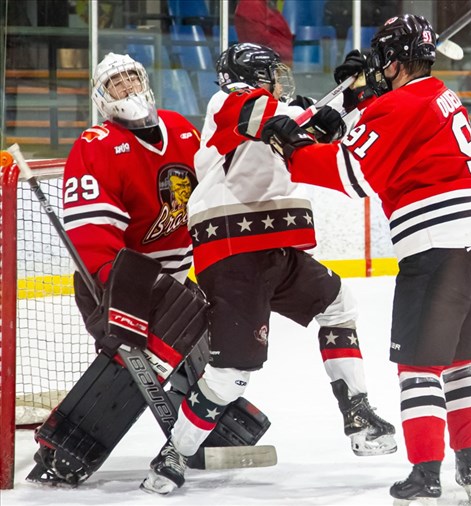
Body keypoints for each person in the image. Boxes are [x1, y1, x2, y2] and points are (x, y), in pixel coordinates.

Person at [256, 15, 471, 503]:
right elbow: (383, 141)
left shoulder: (399, 105)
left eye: (380, 63)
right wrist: (350, 107)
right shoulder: (435, 96)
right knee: (462, 362)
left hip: (440, 245)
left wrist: (293, 148)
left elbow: (352, 175)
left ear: (393, 63)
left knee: (418, 367)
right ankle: (470, 466)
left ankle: (426, 473)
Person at [139, 42, 397, 495]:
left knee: (339, 304)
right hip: (234, 254)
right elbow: (271, 118)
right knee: (231, 373)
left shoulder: (274, 112)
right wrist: (306, 119)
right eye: (270, 74)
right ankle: (175, 454)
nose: (279, 81)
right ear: (251, 75)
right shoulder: (227, 103)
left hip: (276, 249)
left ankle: (357, 410)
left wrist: (359, 94)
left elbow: (312, 131)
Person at [16, 52, 233, 486]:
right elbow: (93, 234)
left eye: (133, 77)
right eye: (116, 83)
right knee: (130, 366)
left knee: (204, 347)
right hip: (116, 284)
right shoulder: (94, 145)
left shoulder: (181, 129)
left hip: (176, 278)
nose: (128, 87)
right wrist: (123, 295)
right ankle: (66, 448)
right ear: (101, 97)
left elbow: (212, 195)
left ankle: (210, 433)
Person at [234, 0, 294, 65]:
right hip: (264, 62)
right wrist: (282, 52)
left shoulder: (265, 4)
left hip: (276, 61)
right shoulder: (252, 3)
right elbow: (257, 38)